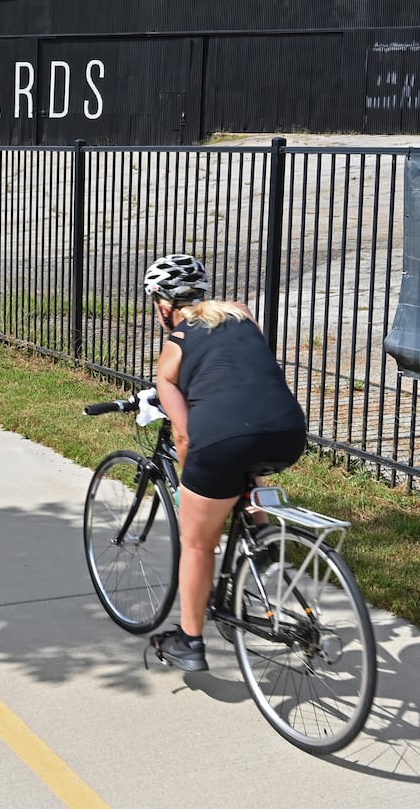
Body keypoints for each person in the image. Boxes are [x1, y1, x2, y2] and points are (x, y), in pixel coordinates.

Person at [141, 253, 307, 672]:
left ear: (163, 305)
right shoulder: (242, 313)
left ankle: (189, 642)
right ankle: (264, 547)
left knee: (197, 541)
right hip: (288, 431)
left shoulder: (172, 350)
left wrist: (190, 486)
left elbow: (183, 435)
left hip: (223, 439)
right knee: (244, 466)